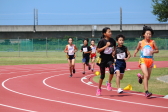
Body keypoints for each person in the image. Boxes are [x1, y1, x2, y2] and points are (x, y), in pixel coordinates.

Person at [133, 25, 159, 97]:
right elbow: (137, 48)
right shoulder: (141, 42)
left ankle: (140, 77)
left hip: (150, 60)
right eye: (147, 34)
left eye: (150, 34)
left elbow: (157, 50)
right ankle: (146, 92)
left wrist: (153, 52)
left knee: (147, 77)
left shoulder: (152, 42)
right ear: (144, 34)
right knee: (146, 75)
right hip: (143, 60)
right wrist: (135, 53)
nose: (149, 35)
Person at [96, 27, 116, 96]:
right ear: (104, 33)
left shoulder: (113, 40)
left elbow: (114, 48)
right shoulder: (102, 41)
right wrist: (106, 46)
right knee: (102, 76)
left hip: (110, 58)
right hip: (103, 60)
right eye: (109, 32)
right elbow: (98, 50)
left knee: (112, 70)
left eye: (111, 32)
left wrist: (114, 52)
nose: (110, 33)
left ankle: (109, 83)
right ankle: (99, 88)